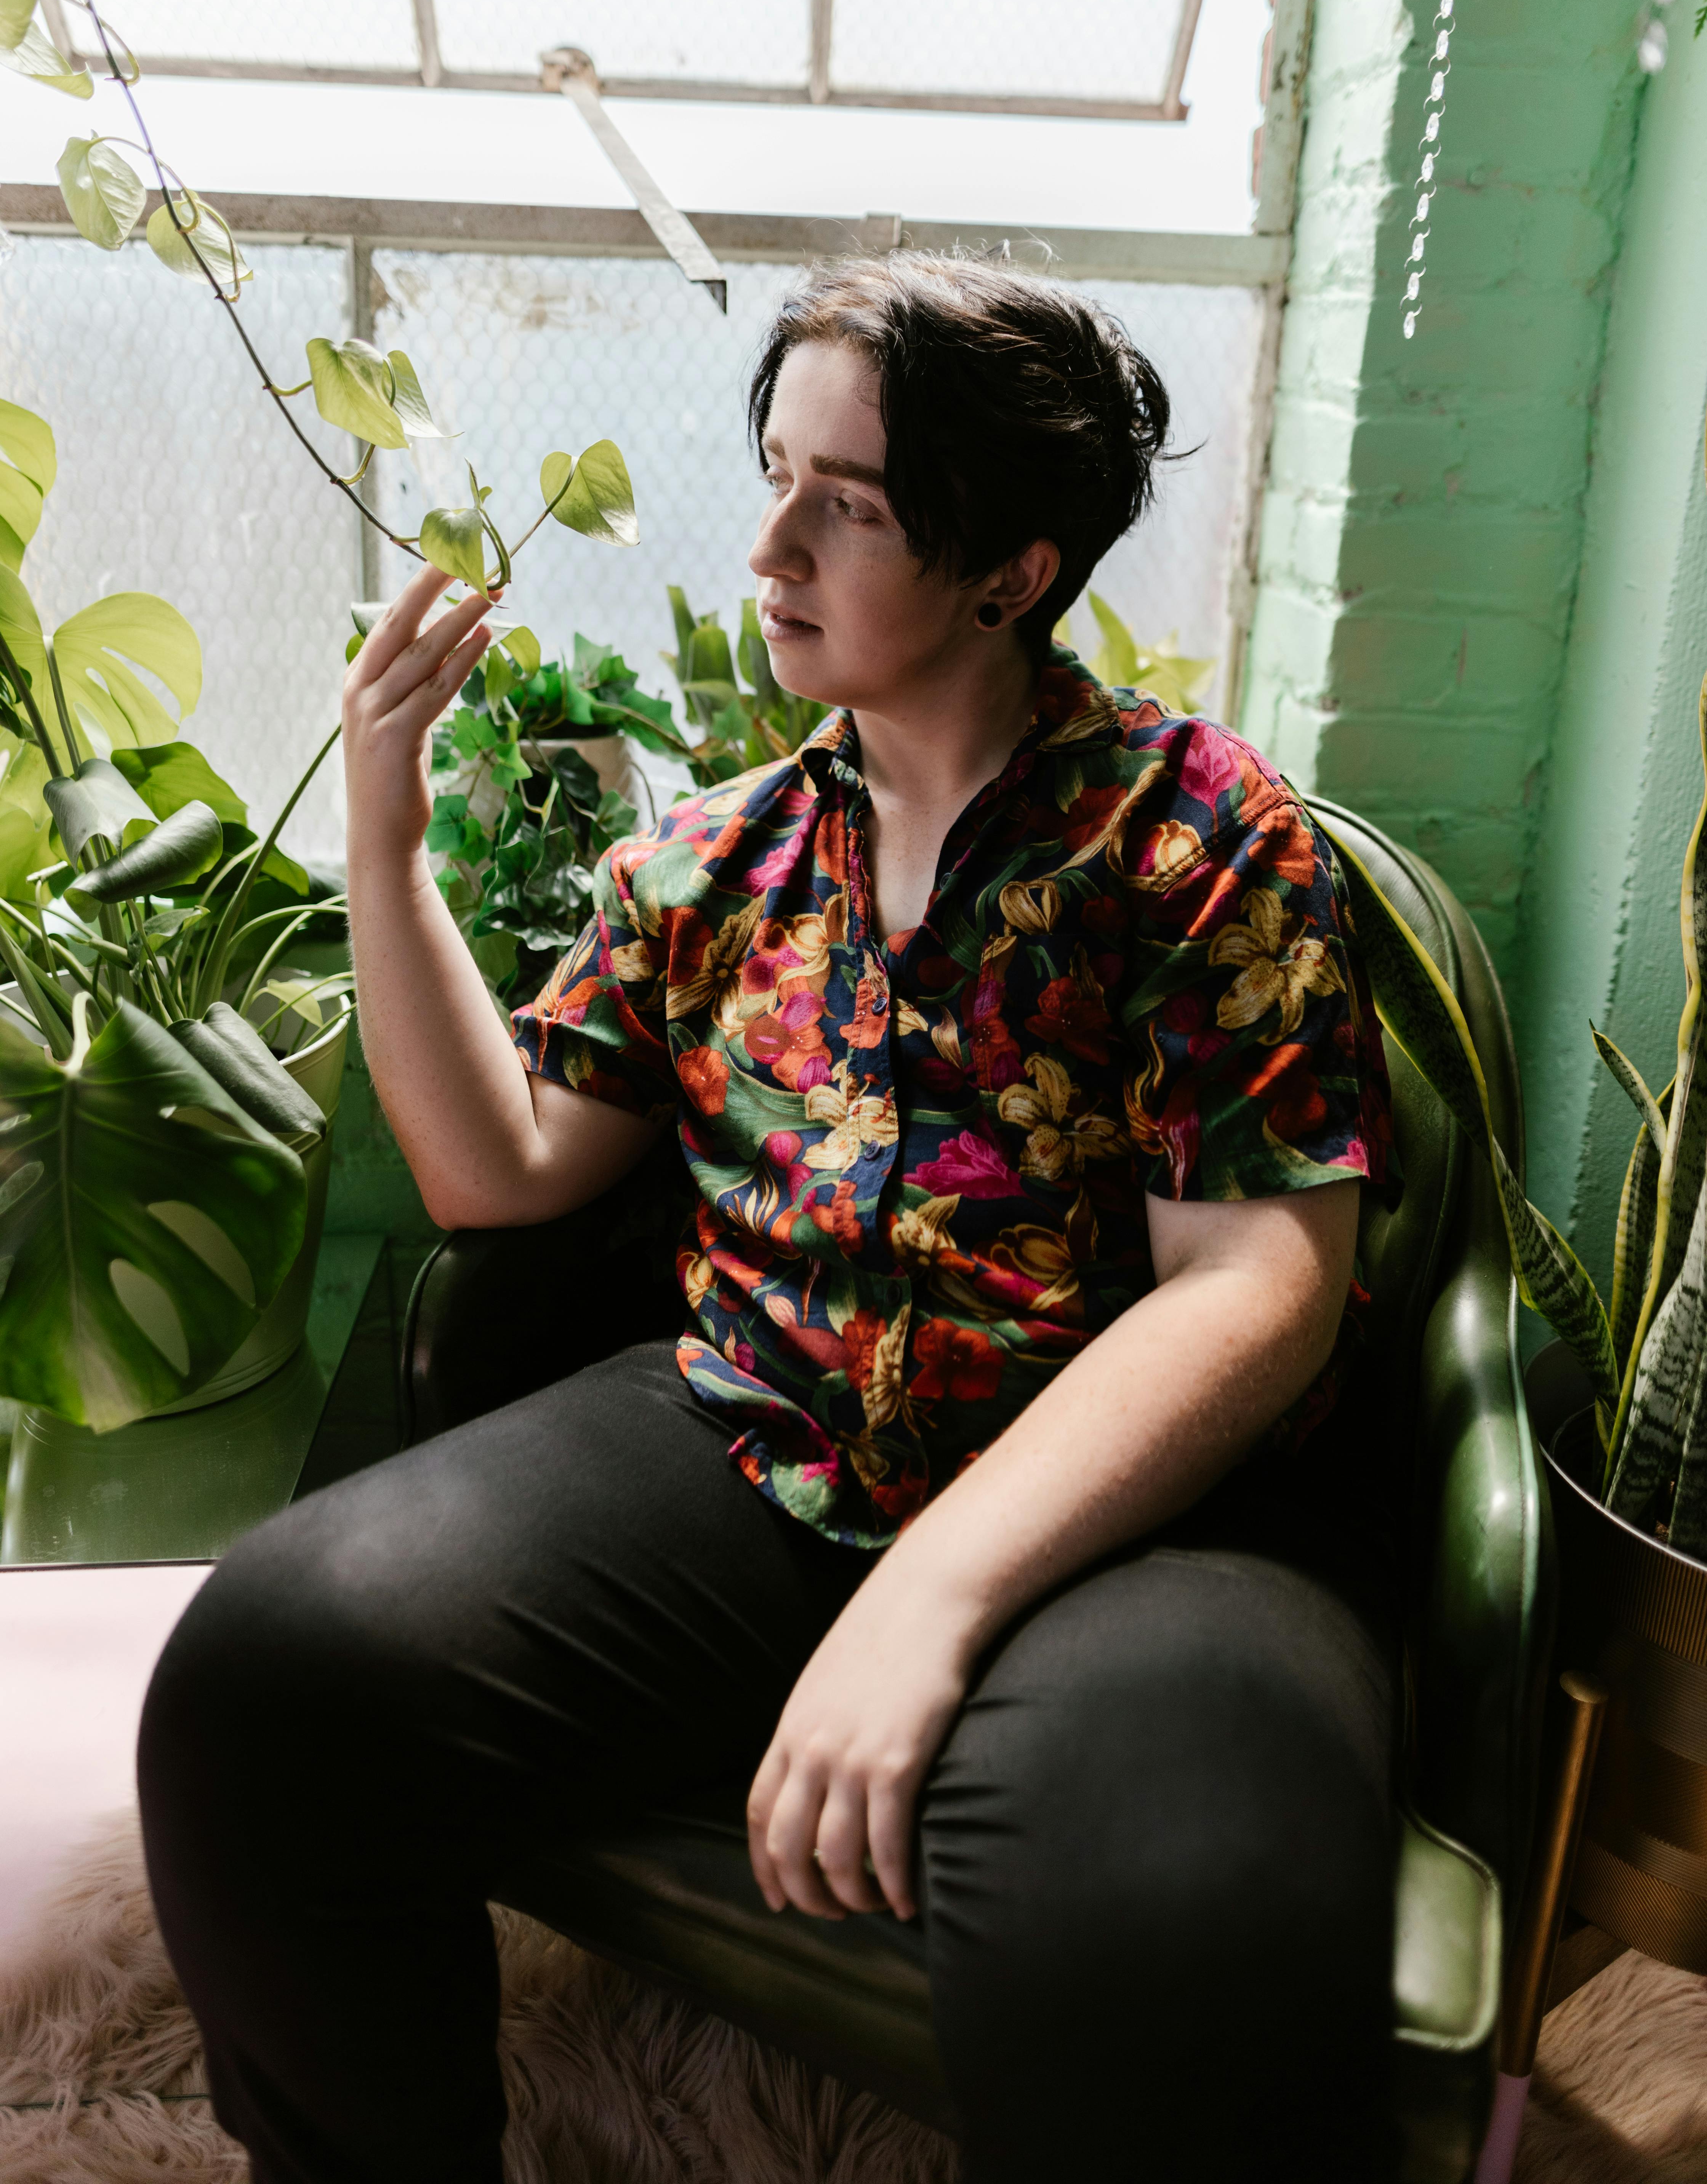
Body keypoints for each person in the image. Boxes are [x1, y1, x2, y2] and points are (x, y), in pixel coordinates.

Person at [139, 254, 1403, 2184]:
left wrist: (931, 1598)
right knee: (264, 1689)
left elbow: (1256, 1296)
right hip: (750, 1442)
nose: (767, 547)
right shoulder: (712, 859)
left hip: (1143, 1527)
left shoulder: (1202, 841)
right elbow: (505, 1171)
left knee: (1182, 1901)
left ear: (1015, 569)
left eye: (850, 505)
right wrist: (381, 834)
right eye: (778, 476)